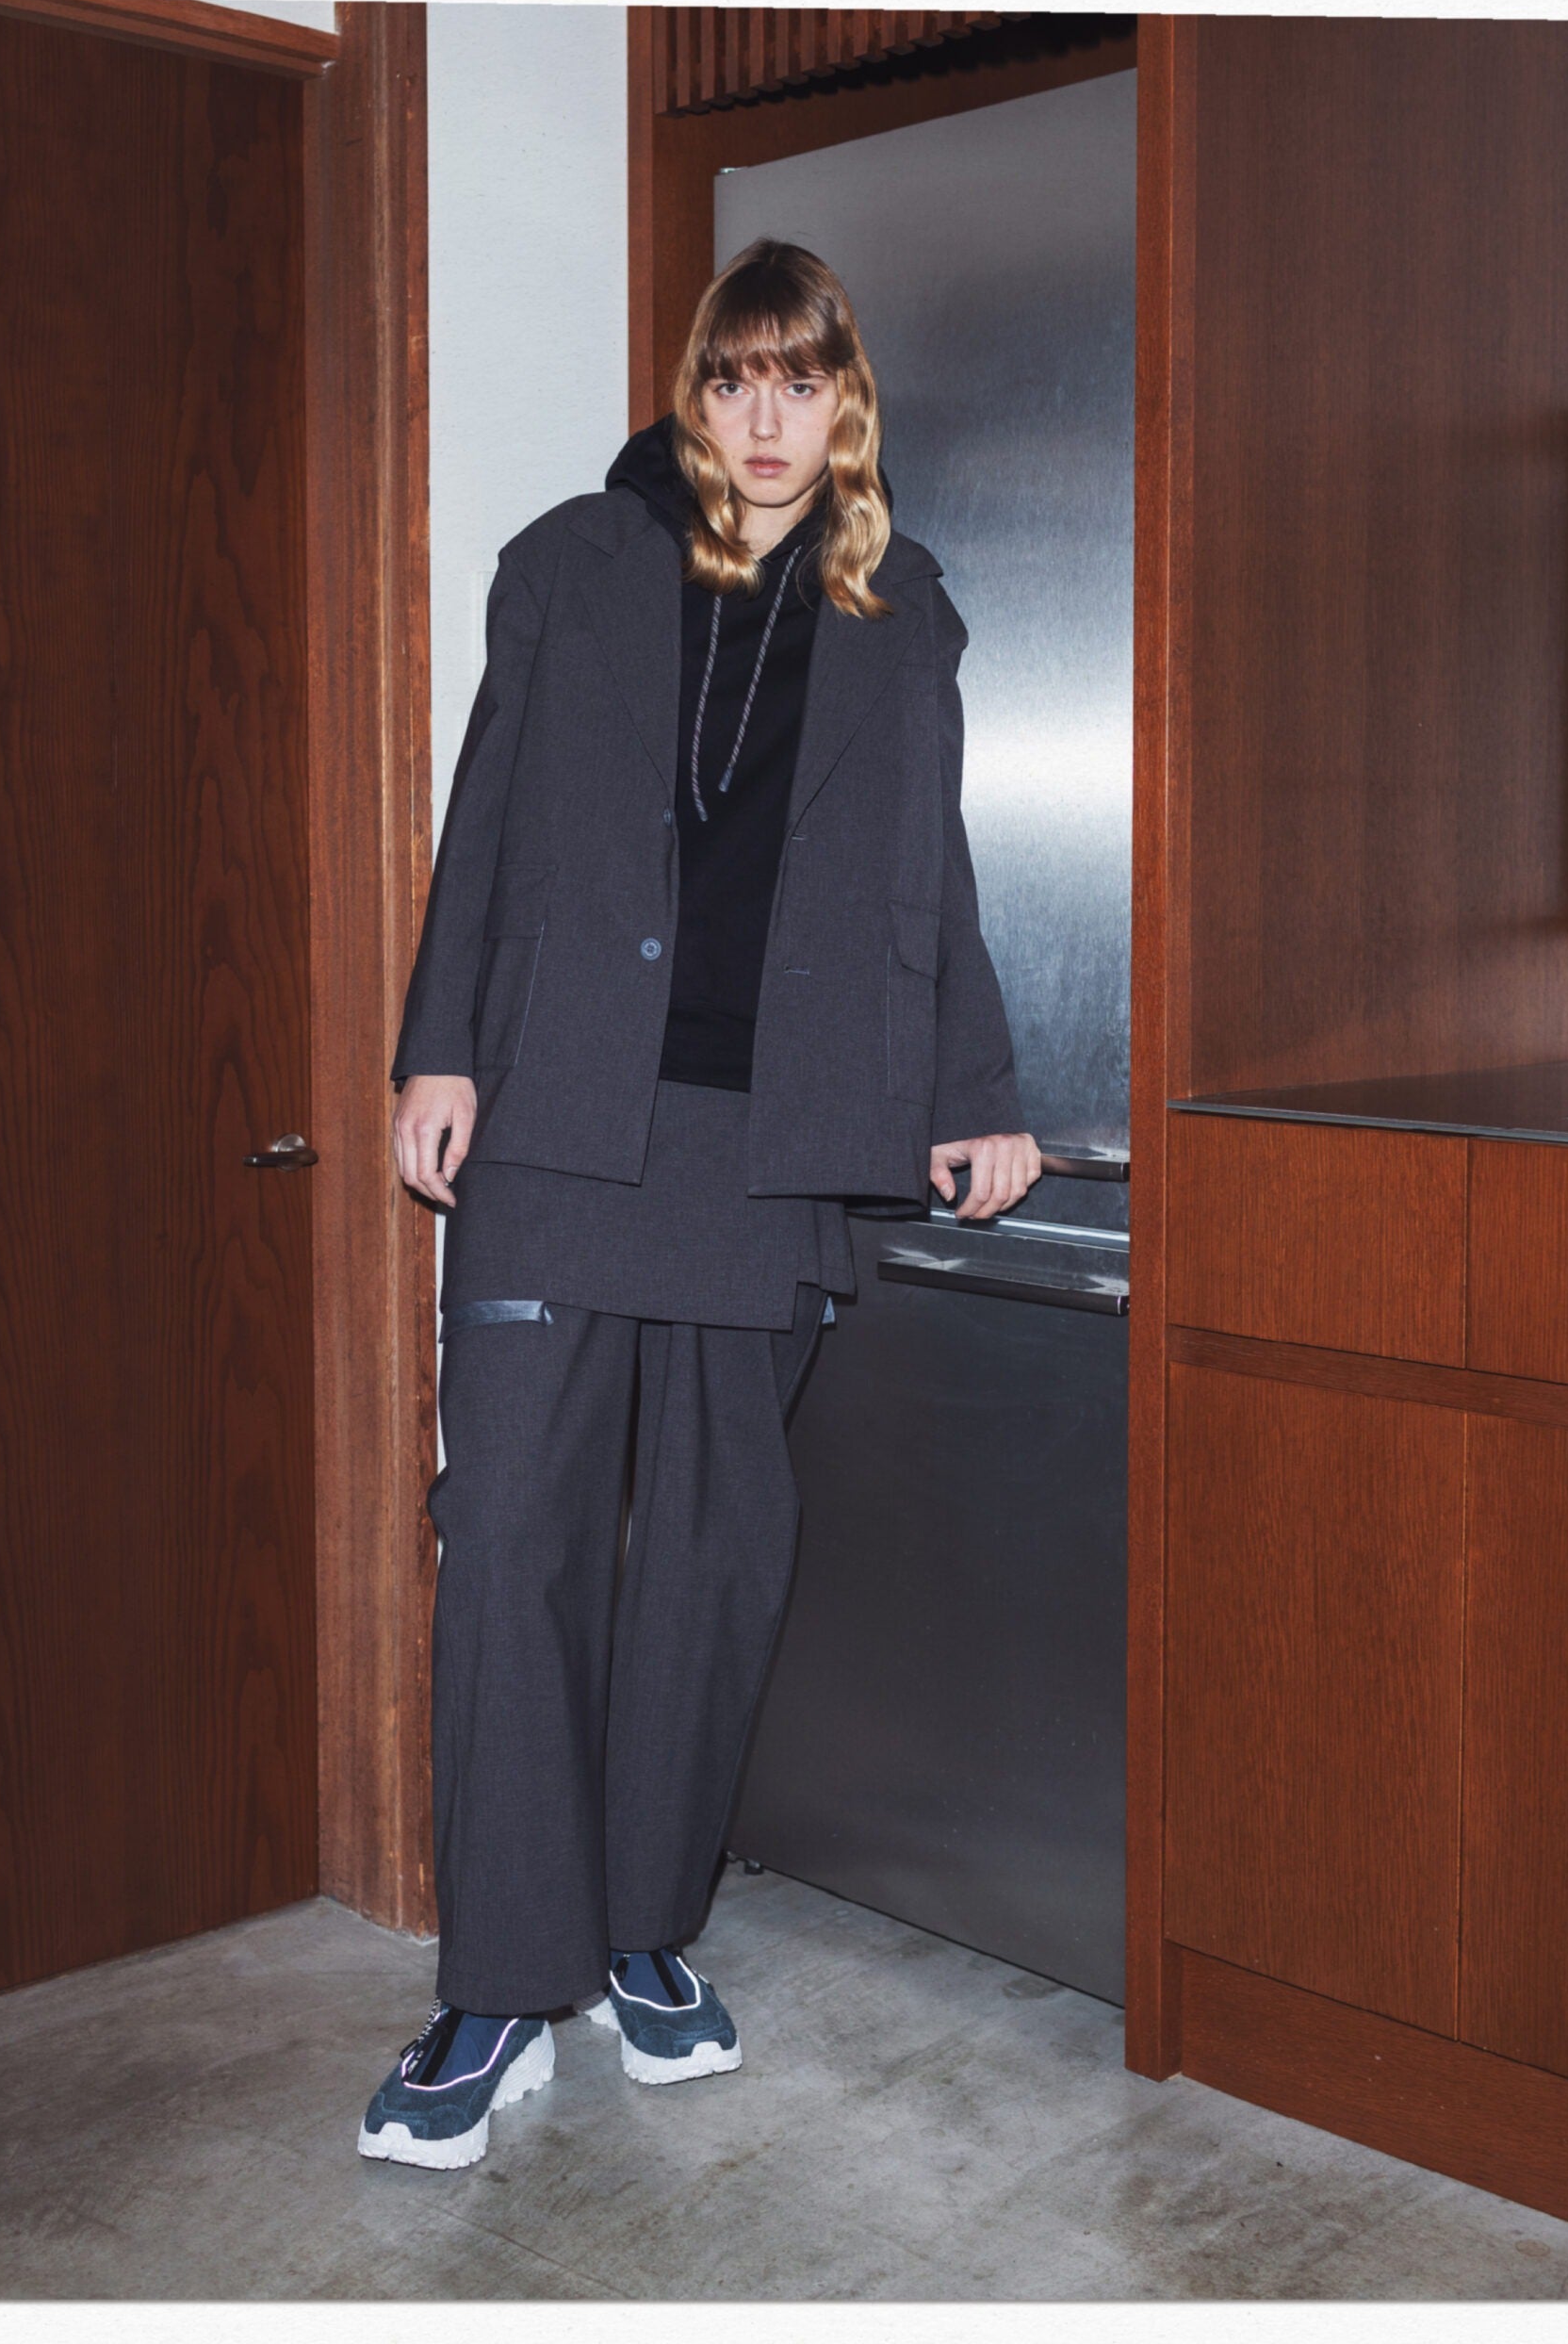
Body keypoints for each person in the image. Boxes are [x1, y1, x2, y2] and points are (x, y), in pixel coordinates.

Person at [358, 238, 1041, 2171]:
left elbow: (931, 868)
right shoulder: (573, 565)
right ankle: (500, 1983)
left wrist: (976, 1093)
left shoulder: (903, 610)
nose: (764, 419)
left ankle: (644, 1927)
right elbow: (486, 817)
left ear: (845, 404)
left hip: (769, 1144)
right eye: (735, 379)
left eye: (799, 382)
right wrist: (438, 1049)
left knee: (717, 1548)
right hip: (559, 1124)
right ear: (695, 392)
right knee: (510, 1529)